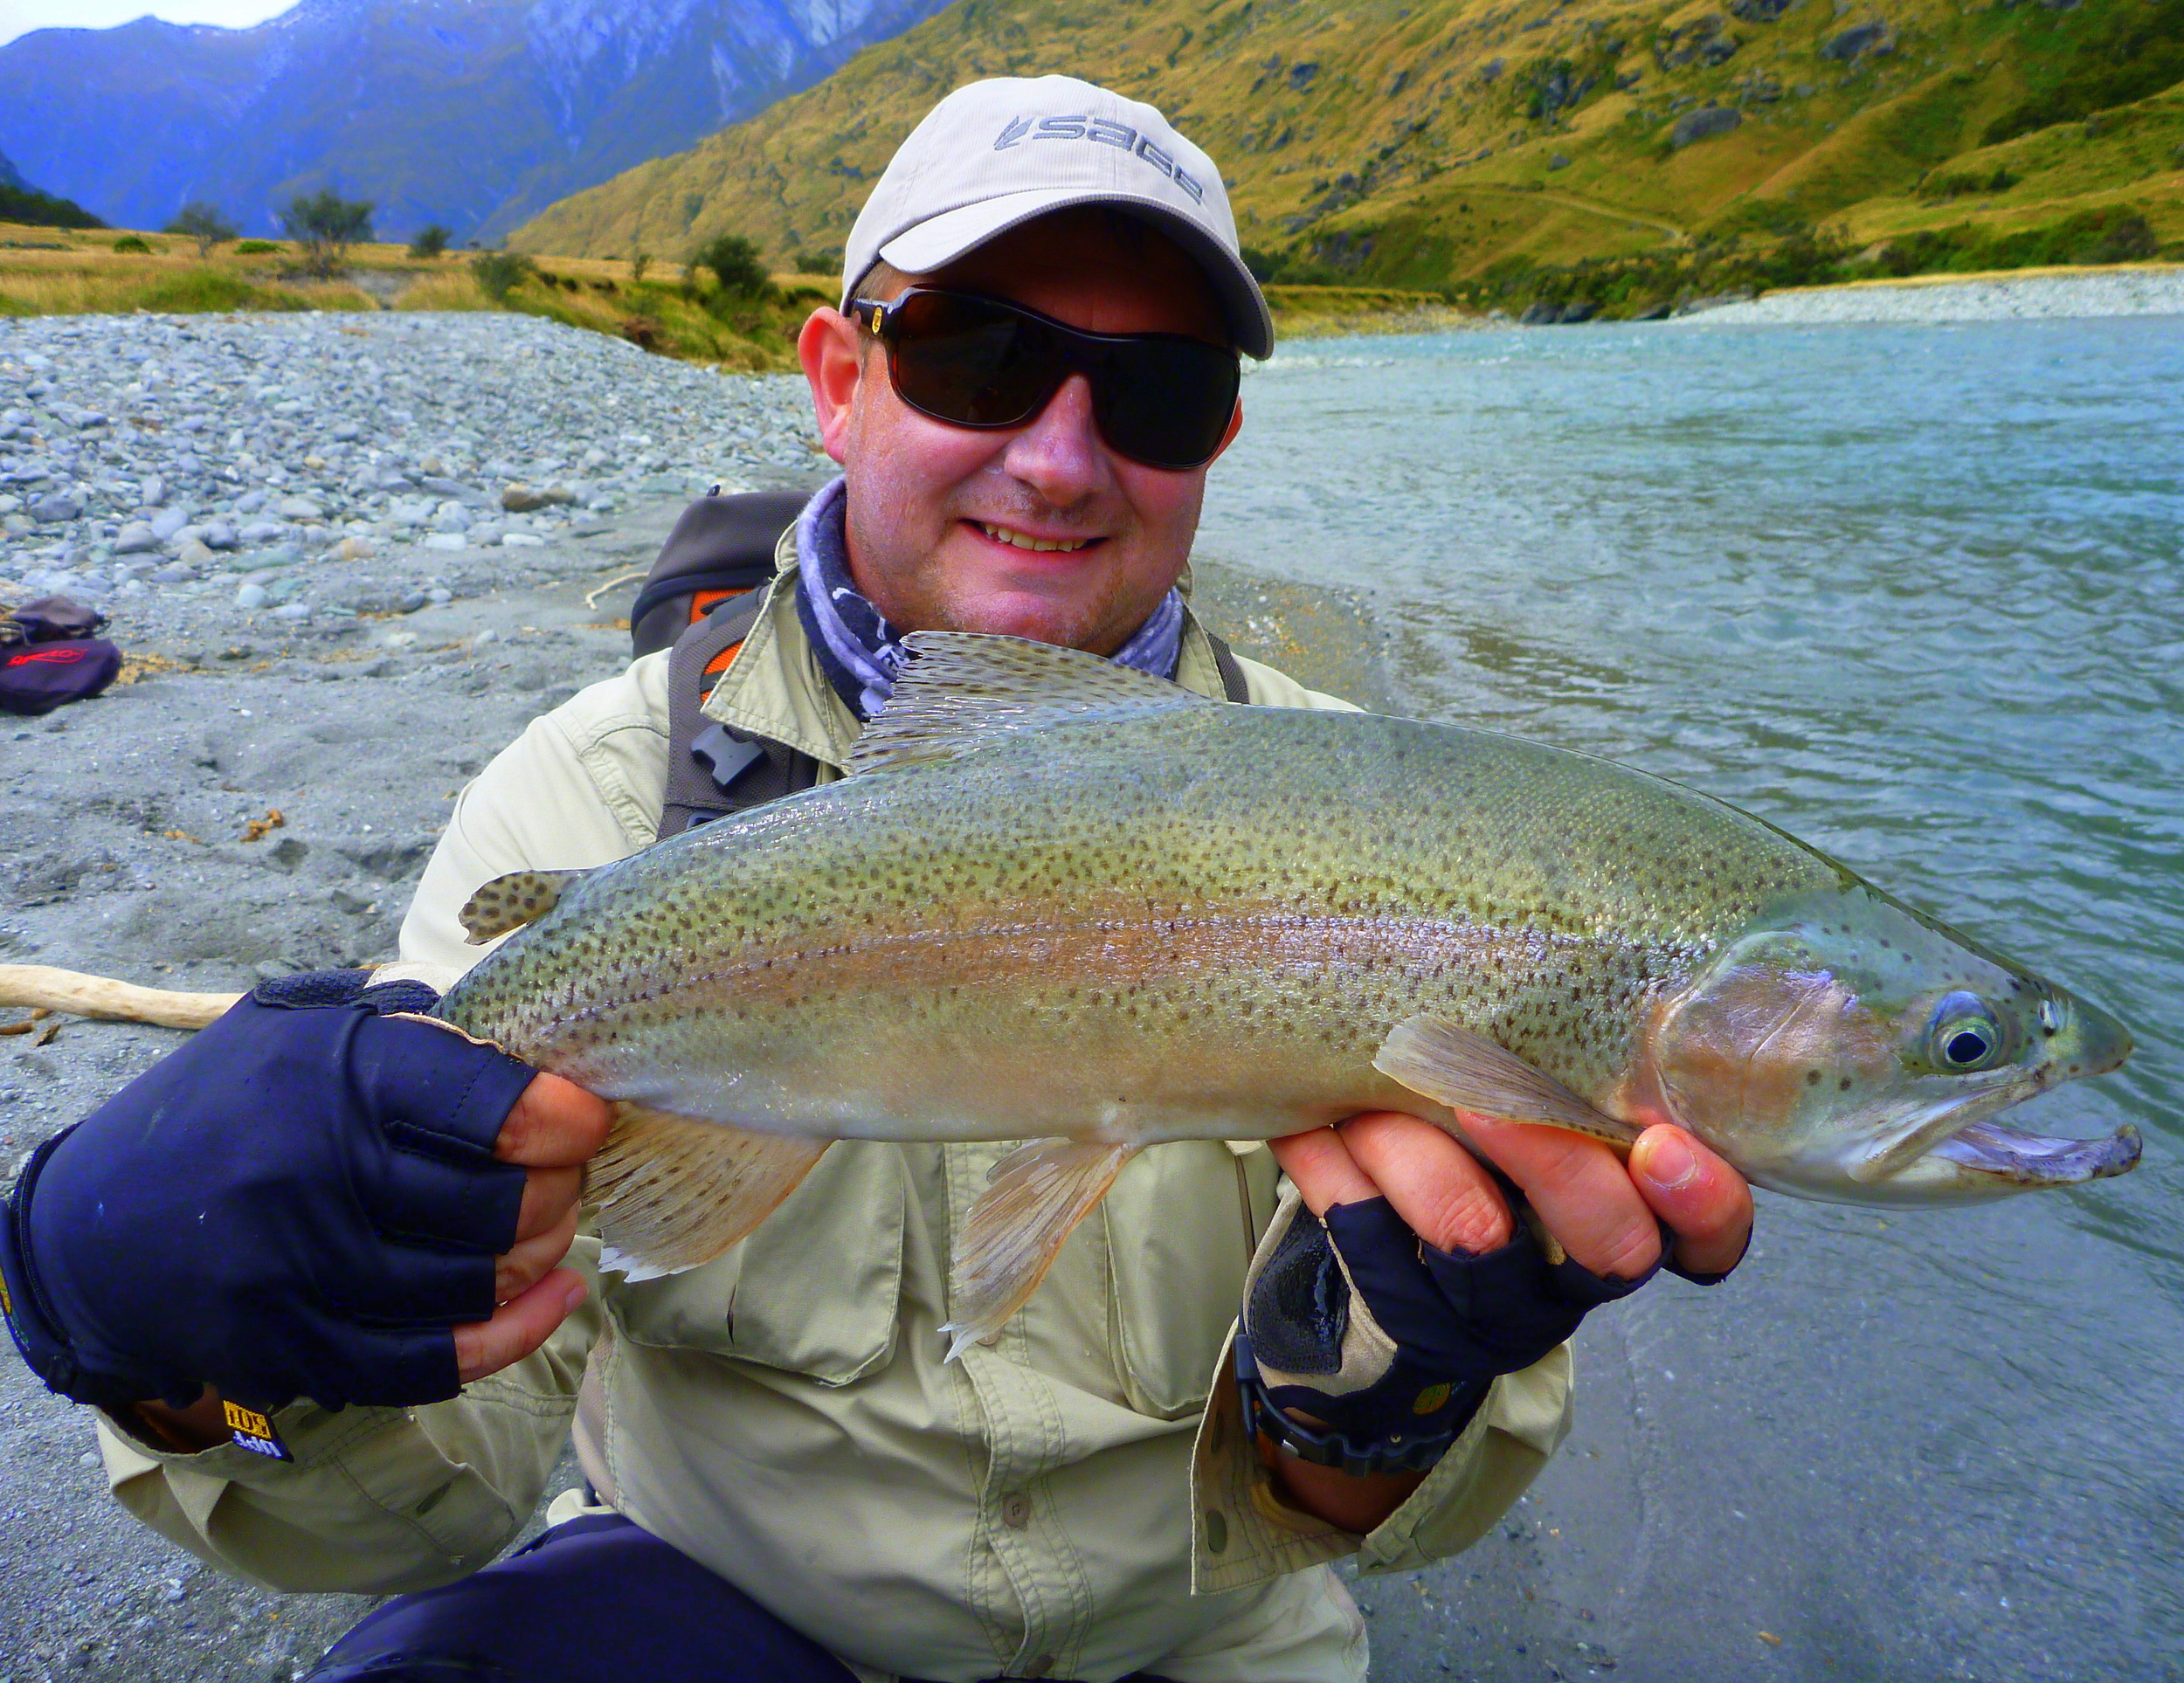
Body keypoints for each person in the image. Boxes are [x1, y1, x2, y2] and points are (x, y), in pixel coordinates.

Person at [0, 76, 1751, 1683]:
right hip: (721, 1611)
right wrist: (173, 1351)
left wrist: (1390, 1393)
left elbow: (1399, 1524)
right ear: (838, 384)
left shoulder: (1396, 847)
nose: (1059, 457)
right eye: (977, 355)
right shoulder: (588, 801)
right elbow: (419, 1508)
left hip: (1201, 1640)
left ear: (1213, 438)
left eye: (1152, 389)